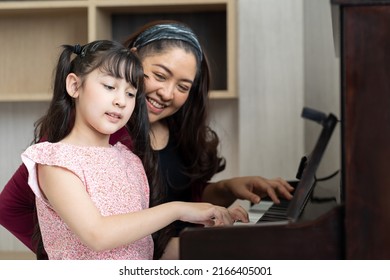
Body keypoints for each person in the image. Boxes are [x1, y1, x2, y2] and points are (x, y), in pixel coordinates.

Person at [0, 21, 293, 259]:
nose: (167, 92)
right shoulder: (82, 140)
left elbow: (169, 202)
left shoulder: (162, 139)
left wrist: (227, 189)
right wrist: (64, 254)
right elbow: (12, 208)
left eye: (182, 86)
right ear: (133, 60)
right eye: (159, 75)